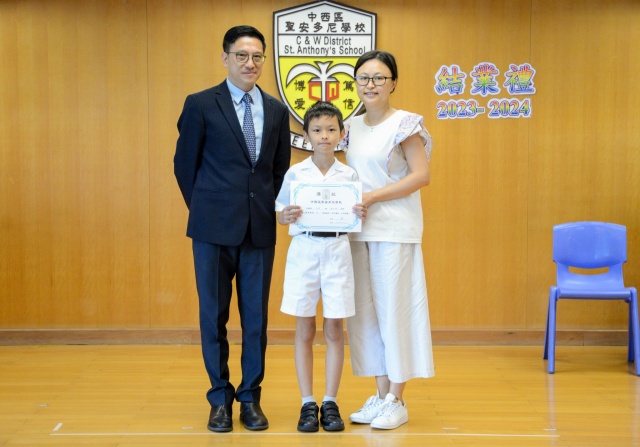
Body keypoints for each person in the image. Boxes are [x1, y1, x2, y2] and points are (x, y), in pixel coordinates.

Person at [173, 25, 291, 433]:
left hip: (259, 231)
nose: (250, 63)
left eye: (257, 56)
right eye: (242, 55)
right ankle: (219, 398)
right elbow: (184, 166)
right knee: (213, 317)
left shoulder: (276, 110)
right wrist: (208, 209)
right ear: (225, 58)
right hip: (212, 229)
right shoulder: (201, 104)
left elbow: (279, 170)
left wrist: (264, 208)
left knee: (256, 321)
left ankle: (250, 398)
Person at [339, 50, 435, 430]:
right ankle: (380, 397)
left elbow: (421, 175)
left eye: (379, 77)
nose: (371, 84)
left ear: (393, 82)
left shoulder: (405, 123)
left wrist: (372, 197)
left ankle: (397, 399)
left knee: (395, 313)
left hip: (395, 230)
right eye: (364, 78)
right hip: (358, 230)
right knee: (366, 317)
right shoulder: (351, 126)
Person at [275, 101, 367, 432]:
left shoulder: (349, 174)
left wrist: (360, 212)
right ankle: (307, 402)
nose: (324, 136)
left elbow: (357, 213)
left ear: (341, 134)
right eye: (317, 130)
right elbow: (281, 211)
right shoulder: (296, 173)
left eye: (331, 129)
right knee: (304, 329)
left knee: (334, 329)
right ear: (306, 135)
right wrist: (284, 216)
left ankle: (330, 401)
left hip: (338, 250)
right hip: (304, 249)